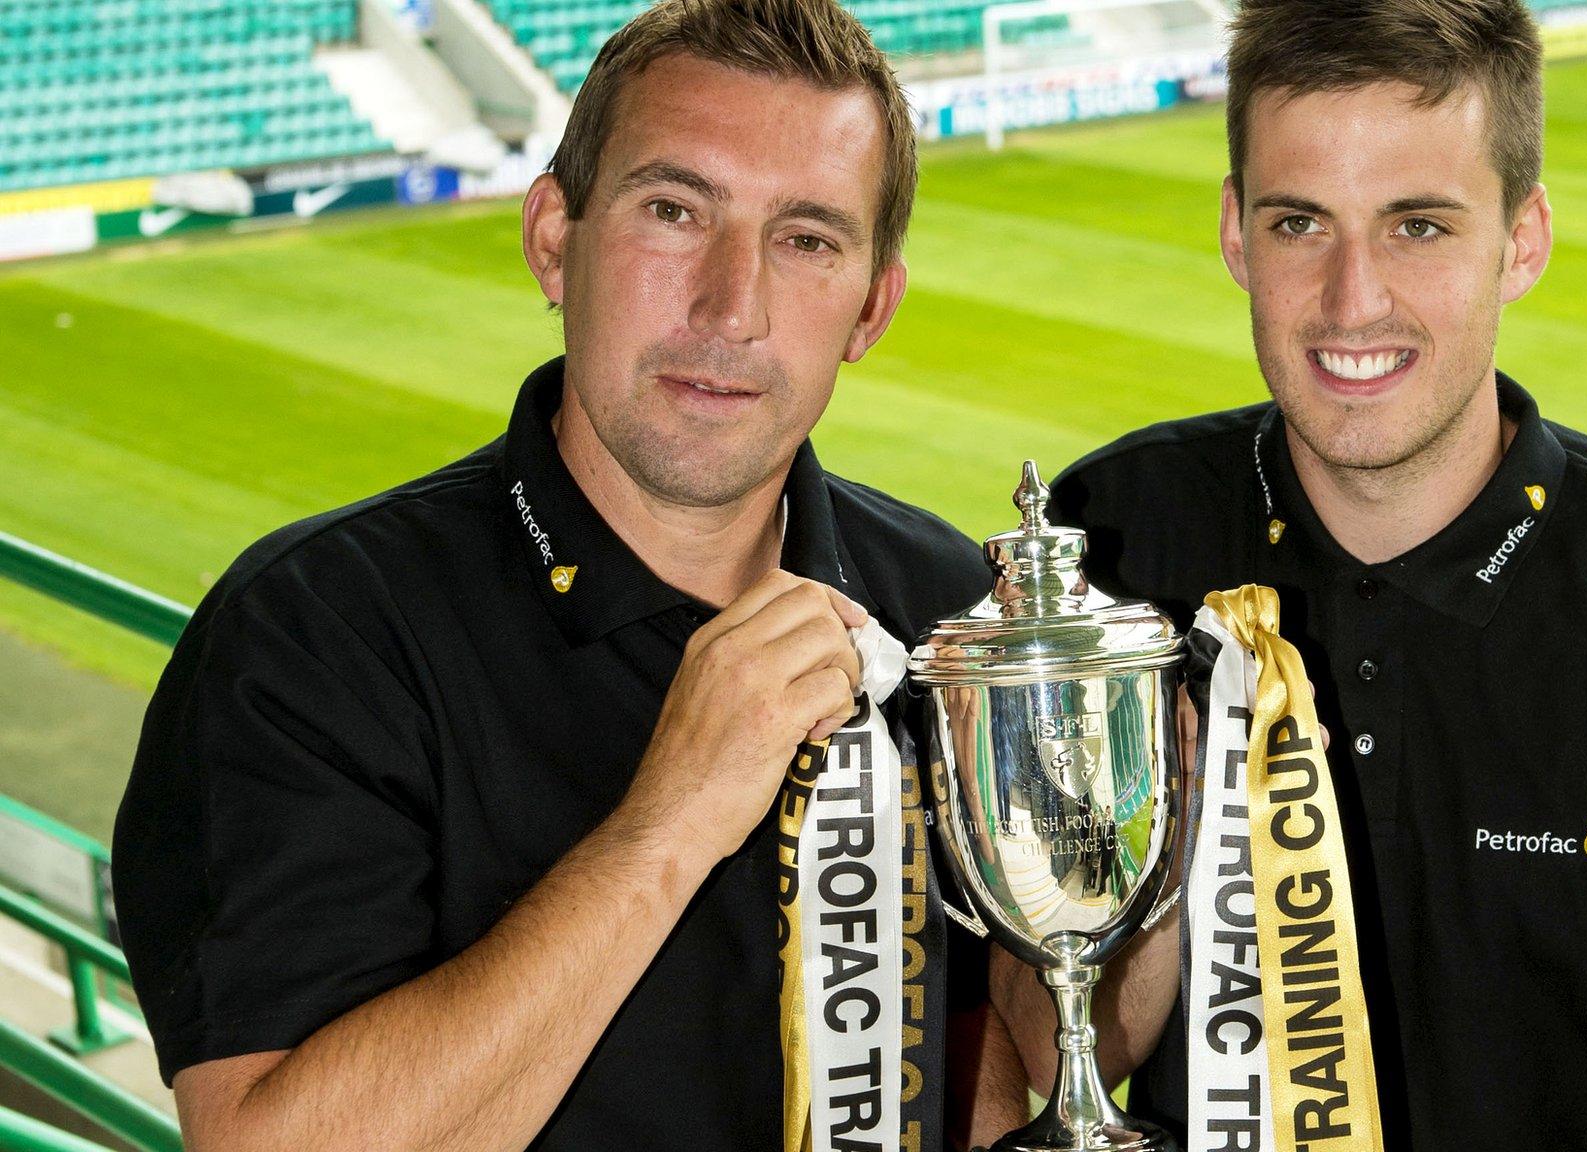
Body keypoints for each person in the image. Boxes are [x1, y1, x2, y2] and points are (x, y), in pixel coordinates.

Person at [997, 0, 1587, 1148]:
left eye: (1417, 226)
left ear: (1522, 239)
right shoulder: (1107, 542)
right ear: (1232, 233)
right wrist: (1163, 853)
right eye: (1300, 223)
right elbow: (1048, 1050)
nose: (1351, 301)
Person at [111, 2, 1025, 1148]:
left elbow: (987, 1065)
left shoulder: (945, 599)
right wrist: (668, 825)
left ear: (870, 307)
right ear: (554, 236)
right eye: (672, 210)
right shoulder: (310, 633)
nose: (730, 306)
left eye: (805, 240)